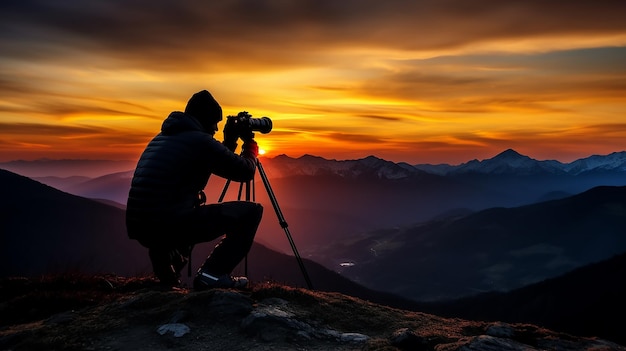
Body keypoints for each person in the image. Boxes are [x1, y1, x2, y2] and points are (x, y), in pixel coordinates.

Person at [126, 90, 263, 290]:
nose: (216, 129)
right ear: (205, 119)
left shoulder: (162, 138)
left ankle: (167, 278)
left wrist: (230, 142)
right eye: (215, 122)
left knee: (177, 210)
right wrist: (250, 146)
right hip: (169, 222)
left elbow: (211, 162)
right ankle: (212, 275)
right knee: (252, 212)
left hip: (141, 224)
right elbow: (244, 172)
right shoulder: (199, 141)